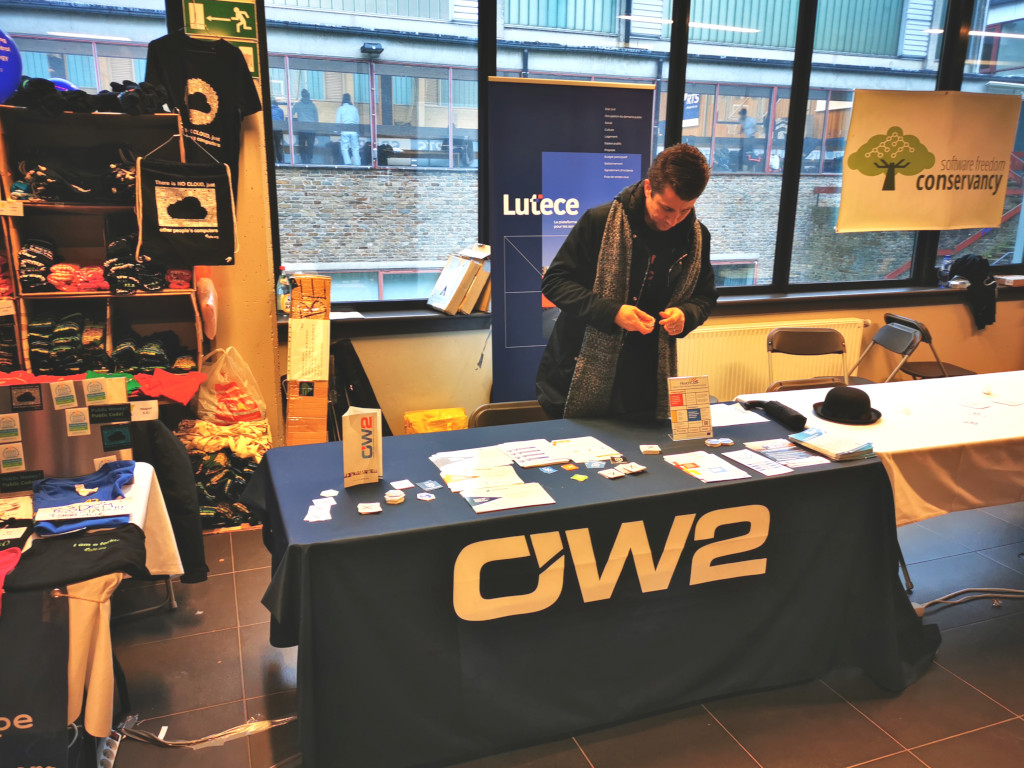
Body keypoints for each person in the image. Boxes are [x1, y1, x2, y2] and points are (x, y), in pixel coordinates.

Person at [536, 143, 717, 421]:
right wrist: (613, 313)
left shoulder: (696, 237)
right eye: (666, 208)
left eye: (685, 211)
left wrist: (686, 315)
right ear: (648, 188)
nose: (673, 220)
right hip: (579, 371)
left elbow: (705, 297)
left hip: (647, 383)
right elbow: (555, 283)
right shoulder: (599, 221)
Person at [292, 88, 319, 164]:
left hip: (301, 128)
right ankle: (309, 160)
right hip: (311, 128)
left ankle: (303, 159)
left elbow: (291, 114)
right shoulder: (313, 106)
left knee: (302, 145)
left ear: (302, 96)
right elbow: (316, 119)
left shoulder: (298, 105)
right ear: (308, 96)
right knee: (310, 145)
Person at [334, 93, 360, 165]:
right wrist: (358, 131)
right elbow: (357, 121)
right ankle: (357, 163)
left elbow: (337, 121)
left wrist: (336, 131)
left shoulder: (340, 109)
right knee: (355, 148)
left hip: (345, 130)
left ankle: (347, 163)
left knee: (344, 148)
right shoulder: (354, 109)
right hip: (354, 130)